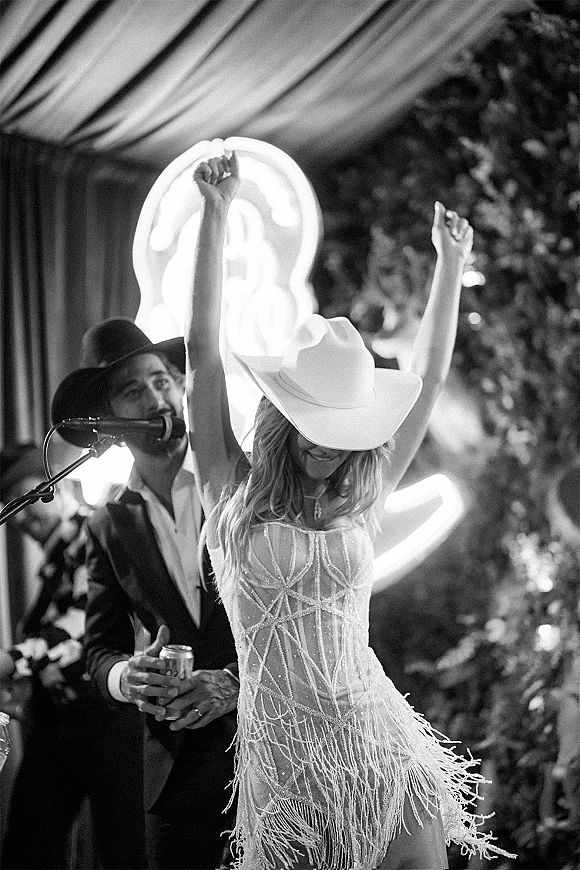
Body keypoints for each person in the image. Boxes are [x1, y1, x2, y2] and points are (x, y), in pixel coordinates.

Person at [184, 151, 515, 870]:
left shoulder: (362, 495)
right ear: (281, 416)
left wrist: (450, 270)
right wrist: (216, 216)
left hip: (379, 740)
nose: (322, 450)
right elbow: (201, 359)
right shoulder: (229, 492)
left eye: (339, 436)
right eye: (309, 427)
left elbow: (424, 383)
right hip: (284, 764)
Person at [50, 318, 240, 870]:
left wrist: (232, 682)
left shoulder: (236, 481)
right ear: (108, 421)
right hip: (177, 773)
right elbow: (98, 650)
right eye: (132, 391)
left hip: (268, 747)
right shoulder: (108, 523)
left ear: (182, 387)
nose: (156, 397)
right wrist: (124, 677)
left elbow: (294, 621)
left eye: (161, 380)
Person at [0, 442, 146, 870]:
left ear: (53, 487)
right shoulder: (53, 556)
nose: (21, 515)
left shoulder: (92, 531)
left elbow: (83, 624)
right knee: (28, 848)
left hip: (104, 717)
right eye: (10, 506)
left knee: (124, 848)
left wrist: (12, 660)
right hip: (58, 722)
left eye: (27, 499)